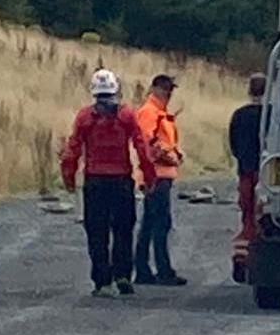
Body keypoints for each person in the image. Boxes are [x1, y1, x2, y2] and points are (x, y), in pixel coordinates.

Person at [61, 69, 157, 298]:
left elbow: (71, 150)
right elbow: (142, 147)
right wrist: (149, 175)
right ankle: (123, 275)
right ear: (116, 89)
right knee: (123, 229)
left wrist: (69, 177)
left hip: (95, 181)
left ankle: (102, 282)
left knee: (97, 232)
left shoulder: (85, 117)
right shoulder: (126, 116)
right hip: (121, 181)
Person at [134, 74, 187, 286]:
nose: (168, 93)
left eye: (170, 89)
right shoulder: (149, 112)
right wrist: (168, 156)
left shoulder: (159, 112)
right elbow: (148, 143)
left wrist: (175, 153)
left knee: (149, 223)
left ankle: (143, 270)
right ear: (154, 88)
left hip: (159, 175)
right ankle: (163, 271)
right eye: (165, 89)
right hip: (156, 175)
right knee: (160, 224)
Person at [227, 73, 266, 284]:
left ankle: (241, 261)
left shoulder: (240, 115)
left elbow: (233, 144)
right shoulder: (271, 116)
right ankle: (260, 261)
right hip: (266, 174)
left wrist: (242, 159)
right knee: (265, 219)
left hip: (245, 172)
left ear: (250, 91)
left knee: (247, 217)